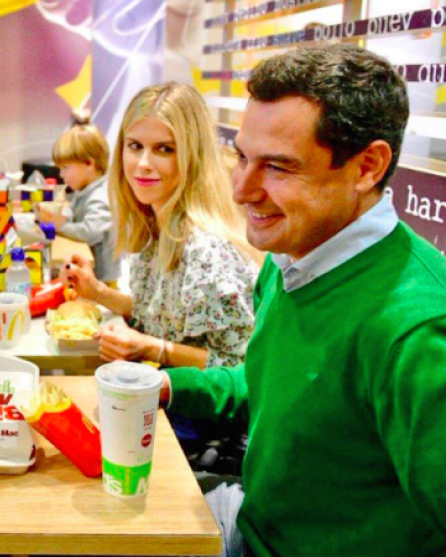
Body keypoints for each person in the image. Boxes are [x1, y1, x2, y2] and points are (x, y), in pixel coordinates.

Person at [164, 44, 446, 556]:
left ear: (367, 166)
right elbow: (276, 387)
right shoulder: (292, 255)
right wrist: (166, 385)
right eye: (242, 157)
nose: (242, 190)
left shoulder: (418, 331)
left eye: (277, 167)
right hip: (252, 526)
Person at [63, 83, 261, 371]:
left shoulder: (208, 251)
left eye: (164, 149)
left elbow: (241, 367)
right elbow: (157, 316)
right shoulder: (154, 225)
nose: (143, 163)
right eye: (135, 146)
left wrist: (152, 348)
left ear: (192, 157)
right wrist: (97, 292)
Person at [40, 124, 120, 284]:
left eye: (65, 167)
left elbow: (90, 232)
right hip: (90, 275)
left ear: (89, 164)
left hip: (102, 281)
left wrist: (61, 226)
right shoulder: (85, 189)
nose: (61, 174)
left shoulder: (100, 196)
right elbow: (75, 210)